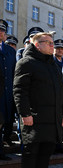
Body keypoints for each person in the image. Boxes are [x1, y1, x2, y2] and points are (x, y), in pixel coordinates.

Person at [14, 32, 63, 168]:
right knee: (31, 155)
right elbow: (20, 91)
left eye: (52, 43)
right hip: (33, 118)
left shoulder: (53, 66)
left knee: (45, 155)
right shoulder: (26, 63)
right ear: (37, 45)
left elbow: (61, 93)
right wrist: (25, 113)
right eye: (49, 43)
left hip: (52, 119)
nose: (53, 46)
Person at [0, 19, 16, 160]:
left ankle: (1, 150)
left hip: (8, 93)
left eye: (2, 30)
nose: (0, 33)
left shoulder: (10, 51)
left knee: (6, 121)